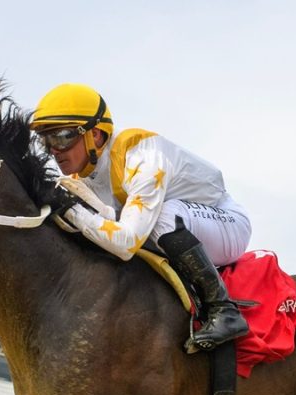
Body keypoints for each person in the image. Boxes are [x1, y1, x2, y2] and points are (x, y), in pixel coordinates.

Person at [30, 84, 251, 352]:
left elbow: (125, 243)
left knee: (163, 217)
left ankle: (223, 310)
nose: (53, 150)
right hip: (183, 227)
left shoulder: (142, 155)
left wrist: (69, 209)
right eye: (46, 140)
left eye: (62, 137)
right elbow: (107, 223)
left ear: (96, 135)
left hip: (227, 224)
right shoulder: (81, 177)